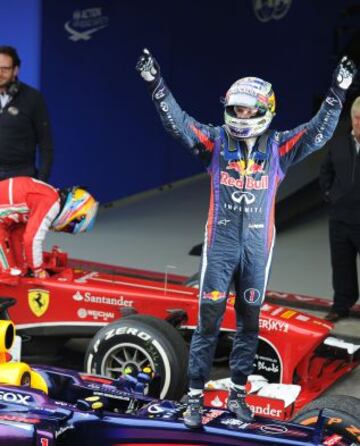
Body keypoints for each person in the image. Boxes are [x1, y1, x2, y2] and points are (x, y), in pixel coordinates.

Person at [136, 49, 356, 428]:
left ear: (264, 110)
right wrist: (156, 84)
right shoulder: (215, 142)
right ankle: (193, 399)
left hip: (258, 249)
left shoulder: (279, 147)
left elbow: (319, 131)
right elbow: (179, 123)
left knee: (249, 325)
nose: (239, 116)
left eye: (245, 110)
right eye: (234, 109)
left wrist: (337, 91)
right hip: (220, 248)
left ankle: (238, 395)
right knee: (207, 323)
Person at [0, 177, 98, 279]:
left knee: (19, 266)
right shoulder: (50, 203)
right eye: (70, 226)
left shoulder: (50, 195)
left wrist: (26, 266)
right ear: (71, 211)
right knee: (8, 276)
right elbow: (32, 239)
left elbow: (19, 232)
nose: (65, 228)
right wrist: (38, 270)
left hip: (5, 220)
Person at [319, 96, 360, 322]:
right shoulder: (338, 143)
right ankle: (342, 304)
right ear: (352, 118)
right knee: (342, 264)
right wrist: (329, 195)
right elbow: (325, 172)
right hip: (340, 219)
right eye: (357, 119)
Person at [0, 45, 53, 182]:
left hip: (21, 176)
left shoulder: (33, 98)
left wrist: (42, 180)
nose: (0, 73)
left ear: (15, 70)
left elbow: (45, 143)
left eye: (5, 69)